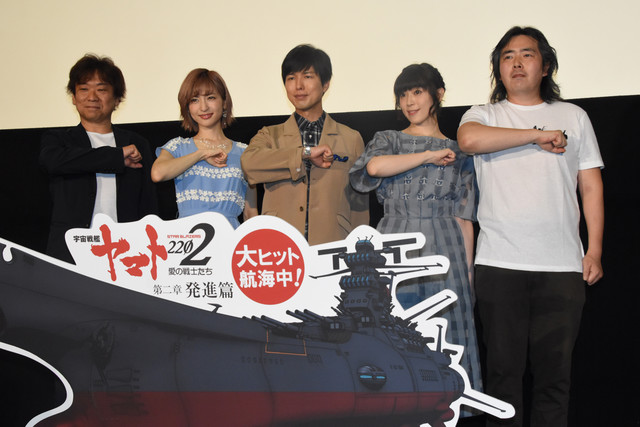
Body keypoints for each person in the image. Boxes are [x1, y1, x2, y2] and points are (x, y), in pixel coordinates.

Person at [457, 26, 604, 427]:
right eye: (507, 56)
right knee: (503, 380)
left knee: (554, 380)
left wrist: (594, 250)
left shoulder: (574, 116)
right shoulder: (485, 115)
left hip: (562, 267)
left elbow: (591, 186)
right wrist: (535, 137)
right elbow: (468, 140)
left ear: (546, 66)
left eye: (527, 54)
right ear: (498, 69)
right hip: (500, 263)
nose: (517, 62)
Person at [349, 63, 482, 416]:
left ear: (438, 94)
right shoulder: (389, 139)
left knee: (446, 332)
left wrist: (468, 273)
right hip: (396, 239)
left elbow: (464, 217)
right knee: (392, 331)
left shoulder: (460, 151)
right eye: (403, 95)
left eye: (417, 92)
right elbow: (373, 169)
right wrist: (428, 155)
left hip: (446, 243)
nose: (409, 102)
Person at [241, 44, 368, 245]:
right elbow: (249, 165)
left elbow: (359, 204)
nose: (298, 86)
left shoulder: (351, 138)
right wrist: (304, 154)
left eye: (307, 76)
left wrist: (361, 246)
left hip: (334, 243)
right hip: (280, 247)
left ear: (325, 84)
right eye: (291, 78)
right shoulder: (269, 135)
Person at [40, 54, 158, 263]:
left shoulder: (136, 143)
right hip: (71, 252)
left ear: (117, 99)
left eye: (101, 90)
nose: (92, 97)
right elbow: (53, 162)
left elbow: (148, 203)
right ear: (74, 97)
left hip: (127, 252)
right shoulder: (59, 140)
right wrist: (116, 156)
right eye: (84, 89)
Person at [151, 68, 257, 227]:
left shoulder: (245, 152)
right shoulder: (178, 147)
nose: (203, 107)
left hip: (230, 237)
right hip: (188, 237)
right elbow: (158, 174)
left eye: (210, 97)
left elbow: (250, 213)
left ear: (224, 102)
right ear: (187, 107)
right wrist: (201, 154)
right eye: (194, 100)